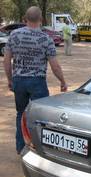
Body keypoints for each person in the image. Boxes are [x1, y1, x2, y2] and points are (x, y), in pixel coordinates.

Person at [3, 6, 67, 154]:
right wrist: (62, 81)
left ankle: (21, 148)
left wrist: (10, 79)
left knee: (21, 113)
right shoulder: (46, 39)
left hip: (19, 80)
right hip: (37, 81)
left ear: (25, 18)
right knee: (41, 117)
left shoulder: (14, 35)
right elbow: (55, 66)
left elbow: (6, 61)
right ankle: (41, 150)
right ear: (41, 19)